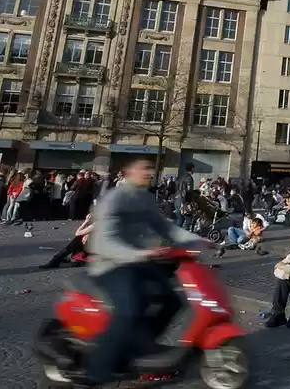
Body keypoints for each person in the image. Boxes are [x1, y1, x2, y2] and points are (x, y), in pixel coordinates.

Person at [78, 158, 202, 386]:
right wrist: (141, 254)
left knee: (173, 299)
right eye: (143, 168)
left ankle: (140, 347)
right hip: (110, 264)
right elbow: (106, 242)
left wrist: (198, 240)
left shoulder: (144, 196)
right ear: (127, 171)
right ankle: (97, 369)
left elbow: (164, 226)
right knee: (128, 309)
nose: (149, 172)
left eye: (150, 168)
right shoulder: (115, 198)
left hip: (137, 260)